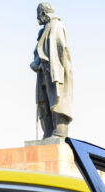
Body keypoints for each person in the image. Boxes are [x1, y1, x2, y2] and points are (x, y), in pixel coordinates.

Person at [30, 2, 73, 138]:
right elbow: (39, 50)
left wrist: (56, 69)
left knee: (57, 100)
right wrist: (37, 63)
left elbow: (60, 48)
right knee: (45, 102)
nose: (37, 18)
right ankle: (48, 132)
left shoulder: (57, 26)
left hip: (55, 72)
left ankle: (60, 132)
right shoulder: (43, 30)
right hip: (44, 73)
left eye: (38, 15)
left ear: (43, 13)